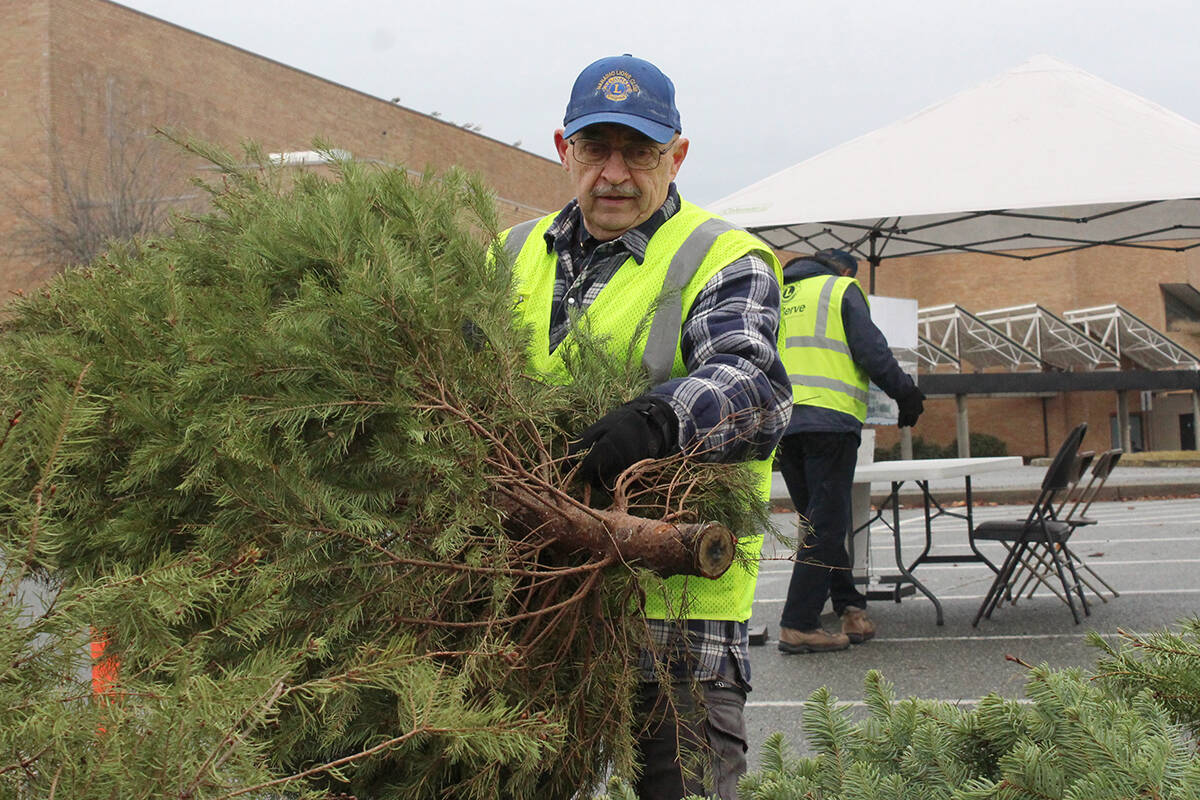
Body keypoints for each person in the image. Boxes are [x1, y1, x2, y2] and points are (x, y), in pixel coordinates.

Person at [498, 55, 791, 800]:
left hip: (676, 614)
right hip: (533, 610)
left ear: (678, 155)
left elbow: (753, 385)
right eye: (597, 149)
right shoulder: (507, 256)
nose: (616, 173)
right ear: (564, 148)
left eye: (642, 151)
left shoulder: (721, 256)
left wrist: (660, 417)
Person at [775, 249, 926, 654]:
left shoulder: (773, 292)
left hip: (783, 424)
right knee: (826, 525)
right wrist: (907, 395)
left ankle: (850, 608)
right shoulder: (841, 287)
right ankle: (799, 623)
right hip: (830, 419)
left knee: (821, 522)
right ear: (843, 270)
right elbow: (872, 351)